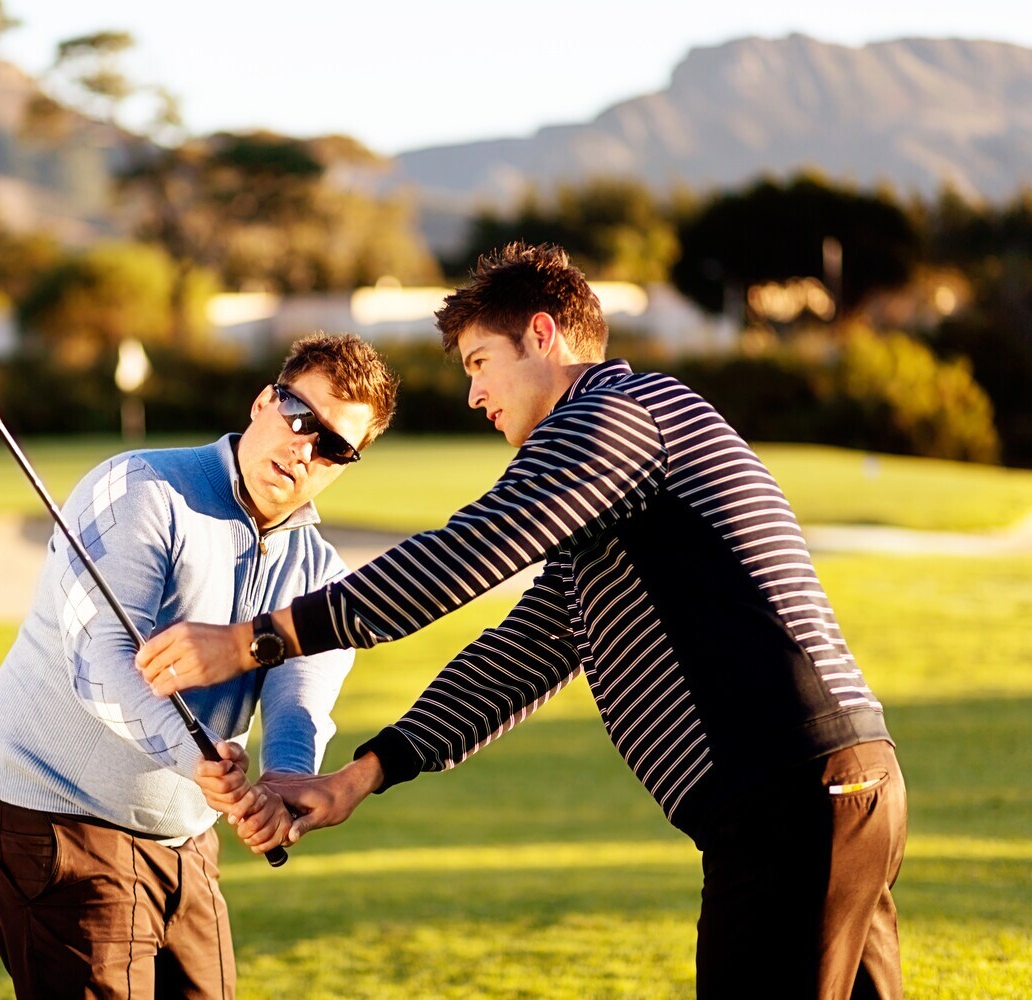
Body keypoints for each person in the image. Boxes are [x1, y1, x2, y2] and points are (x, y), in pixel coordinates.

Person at [137, 243, 908, 999]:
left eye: (479, 363)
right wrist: (364, 775)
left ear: (543, 336)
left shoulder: (617, 418)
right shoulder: (613, 483)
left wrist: (252, 640)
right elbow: (528, 650)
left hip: (788, 798)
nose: (474, 395)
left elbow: (468, 552)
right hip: (829, 793)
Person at [0, 332, 399, 999]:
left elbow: (302, 694)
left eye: (335, 446)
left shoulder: (316, 571)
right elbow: (99, 666)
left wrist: (285, 782)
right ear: (263, 402)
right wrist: (195, 757)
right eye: (298, 417)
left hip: (183, 836)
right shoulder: (141, 489)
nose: (304, 448)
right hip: (59, 822)